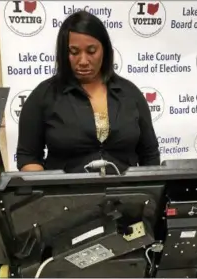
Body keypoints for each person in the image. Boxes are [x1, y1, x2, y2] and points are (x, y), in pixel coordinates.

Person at [16, 10, 160, 174]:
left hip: (125, 196)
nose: (83, 61)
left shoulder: (130, 94)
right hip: (66, 196)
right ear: (64, 53)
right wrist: (47, 193)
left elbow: (150, 154)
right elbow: (28, 157)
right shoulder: (44, 96)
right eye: (74, 52)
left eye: (91, 51)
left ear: (105, 51)